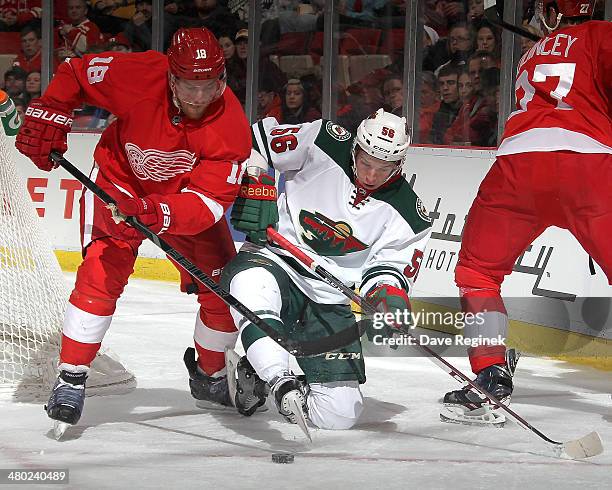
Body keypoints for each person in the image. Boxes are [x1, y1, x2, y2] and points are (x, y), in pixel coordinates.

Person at [14, 27, 251, 428]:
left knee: (221, 287)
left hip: (179, 200)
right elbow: (75, 72)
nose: (198, 97)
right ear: (171, 77)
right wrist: (51, 109)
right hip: (117, 183)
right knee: (100, 276)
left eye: (208, 86)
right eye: (189, 86)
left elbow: (207, 205)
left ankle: (210, 374)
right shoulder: (138, 74)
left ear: (222, 80)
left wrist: (155, 211)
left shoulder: (231, 128)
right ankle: (71, 376)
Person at [441, 0, 611, 425]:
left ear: (553, 12)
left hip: (519, 163)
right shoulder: (602, 37)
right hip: (588, 166)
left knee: (478, 271)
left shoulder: (532, 53)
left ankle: (490, 372)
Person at [222, 109, 432, 430]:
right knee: (249, 283)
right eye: (366, 163)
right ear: (356, 149)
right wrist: (257, 178)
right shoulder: (322, 141)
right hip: (276, 260)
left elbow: (389, 269)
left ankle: (254, 373)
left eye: (384, 168)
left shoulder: (410, 214)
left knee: (339, 416)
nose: (372, 175)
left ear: (400, 165)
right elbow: (257, 140)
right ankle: (276, 377)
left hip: (327, 297)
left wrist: (388, 298)